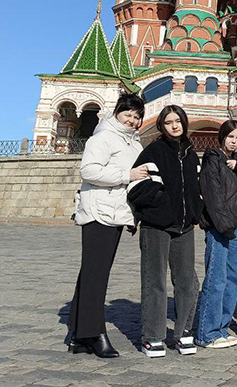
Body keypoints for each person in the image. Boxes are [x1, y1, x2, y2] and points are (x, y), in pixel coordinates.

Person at [68, 94, 147, 358]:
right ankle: (94, 333)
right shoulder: (102, 138)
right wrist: (127, 174)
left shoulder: (133, 142)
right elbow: (88, 171)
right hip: (97, 212)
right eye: (129, 114)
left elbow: (137, 183)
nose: (133, 120)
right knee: (96, 274)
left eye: (137, 117)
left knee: (92, 272)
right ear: (117, 112)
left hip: (116, 212)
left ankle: (78, 334)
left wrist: (133, 215)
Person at [127, 105, 201, 358]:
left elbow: (194, 188)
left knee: (187, 282)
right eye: (168, 122)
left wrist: (194, 211)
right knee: (154, 281)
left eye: (178, 121)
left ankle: (183, 333)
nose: (174, 126)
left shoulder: (191, 154)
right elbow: (137, 187)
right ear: (161, 125)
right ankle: (153, 336)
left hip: (185, 227)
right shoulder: (154, 151)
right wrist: (161, 204)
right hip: (157, 225)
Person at [196, 120, 237, 349]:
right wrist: (224, 227)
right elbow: (212, 196)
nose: (234, 141)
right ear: (222, 137)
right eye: (230, 136)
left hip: (236, 227)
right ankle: (207, 333)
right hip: (220, 229)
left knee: (232, 279)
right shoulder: (212, 160)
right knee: (216, 280)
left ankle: (221, 327)